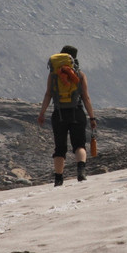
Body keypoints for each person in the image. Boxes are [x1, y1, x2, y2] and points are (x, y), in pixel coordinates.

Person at [37, 44, 96, 187]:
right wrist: (92, 117)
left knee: (59, 148)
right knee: (79, 145)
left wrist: (42, 113)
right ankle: (81, 171)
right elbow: (86, 97)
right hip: (77, 112)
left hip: (59, 114)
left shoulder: (53, 75)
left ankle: (58, 179)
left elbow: (48, 94)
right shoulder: (80, 75)